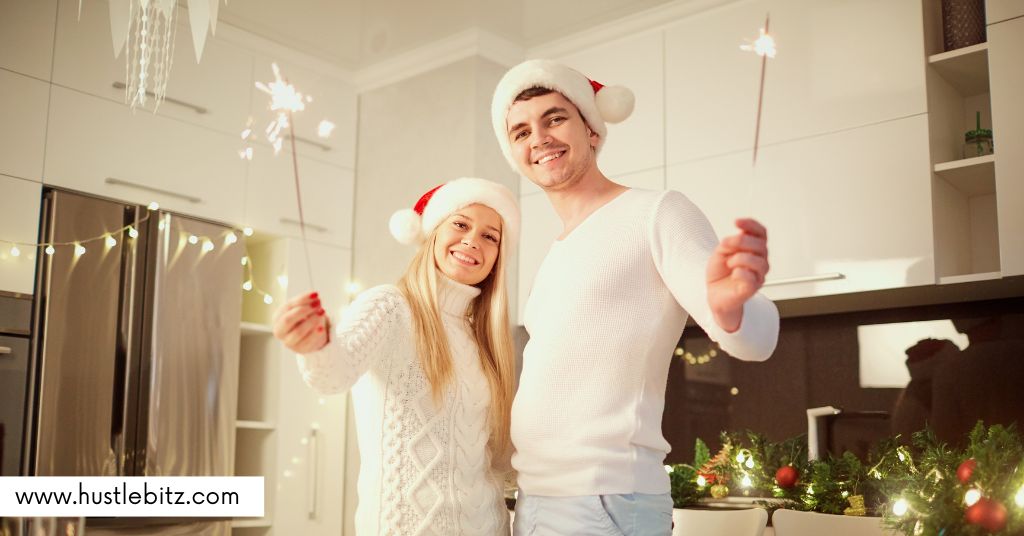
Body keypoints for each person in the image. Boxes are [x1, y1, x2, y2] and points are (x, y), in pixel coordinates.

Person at [490, 59, 781, 535]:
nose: (538, 138)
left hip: (603, 502)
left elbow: (756, 340)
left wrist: (730, 307)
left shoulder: (655, 212)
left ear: (593, 132)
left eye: (555, 118)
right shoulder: (557, 250)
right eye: (520, 131)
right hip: (537, 499)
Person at [273, 177, 520, 535]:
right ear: (433, 232)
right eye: (461, 224)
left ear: (498, 256)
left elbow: (495, 460)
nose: (472, 240)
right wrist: (314, 344)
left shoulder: (484, 339)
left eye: (489, 236)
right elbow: (333, 374)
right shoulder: (391, 307)